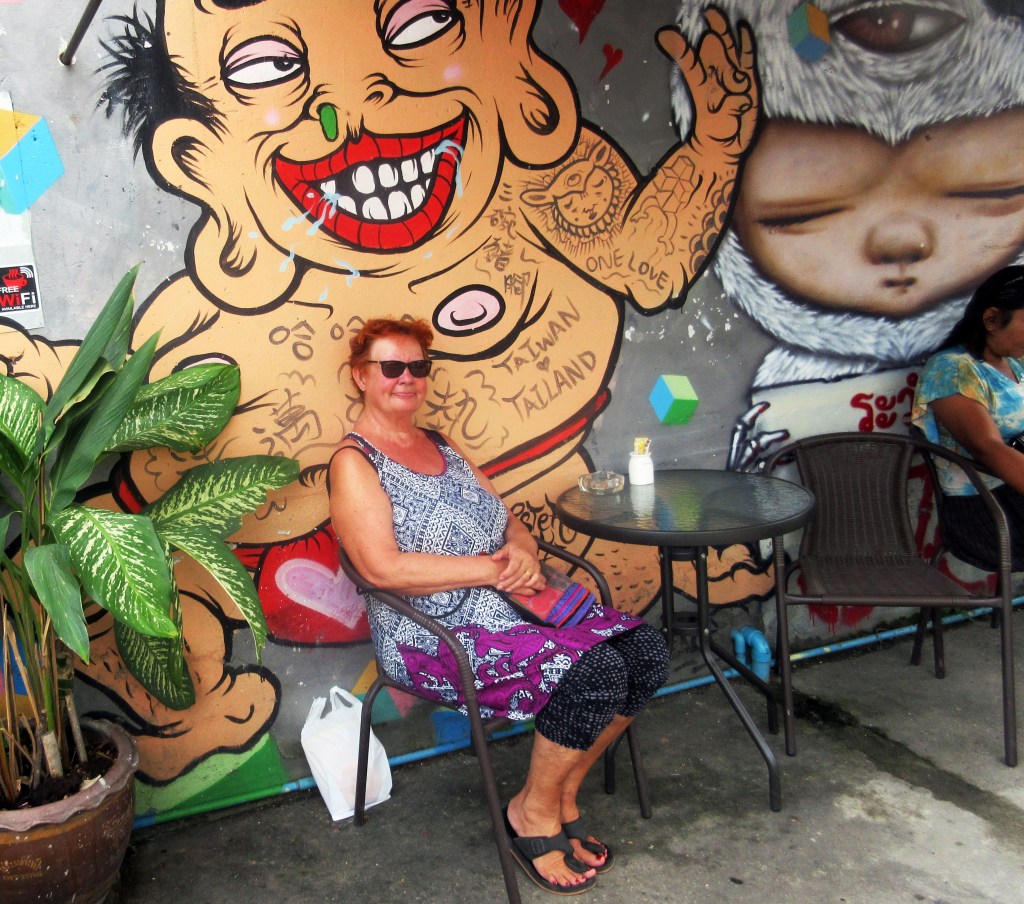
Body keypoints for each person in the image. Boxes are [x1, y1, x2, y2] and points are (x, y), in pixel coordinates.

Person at [329, 317, 669, 895]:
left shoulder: (440, 443)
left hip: (516, 604)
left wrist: (522, 550)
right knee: (595, 671)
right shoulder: (355, 462)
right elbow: (382, 569)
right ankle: (530, 815)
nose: (407, 377)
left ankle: (560, 793)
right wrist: (490, 570)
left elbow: (507, 520)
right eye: (391, 366)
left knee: (646, 652)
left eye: (418, 366)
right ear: (361, 376)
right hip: (431, 633)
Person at [912, 266, 1024, 570]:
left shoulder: (1015, 362)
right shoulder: (951, 369)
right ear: (991, 319)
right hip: (988, 508)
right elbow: (986, 447)